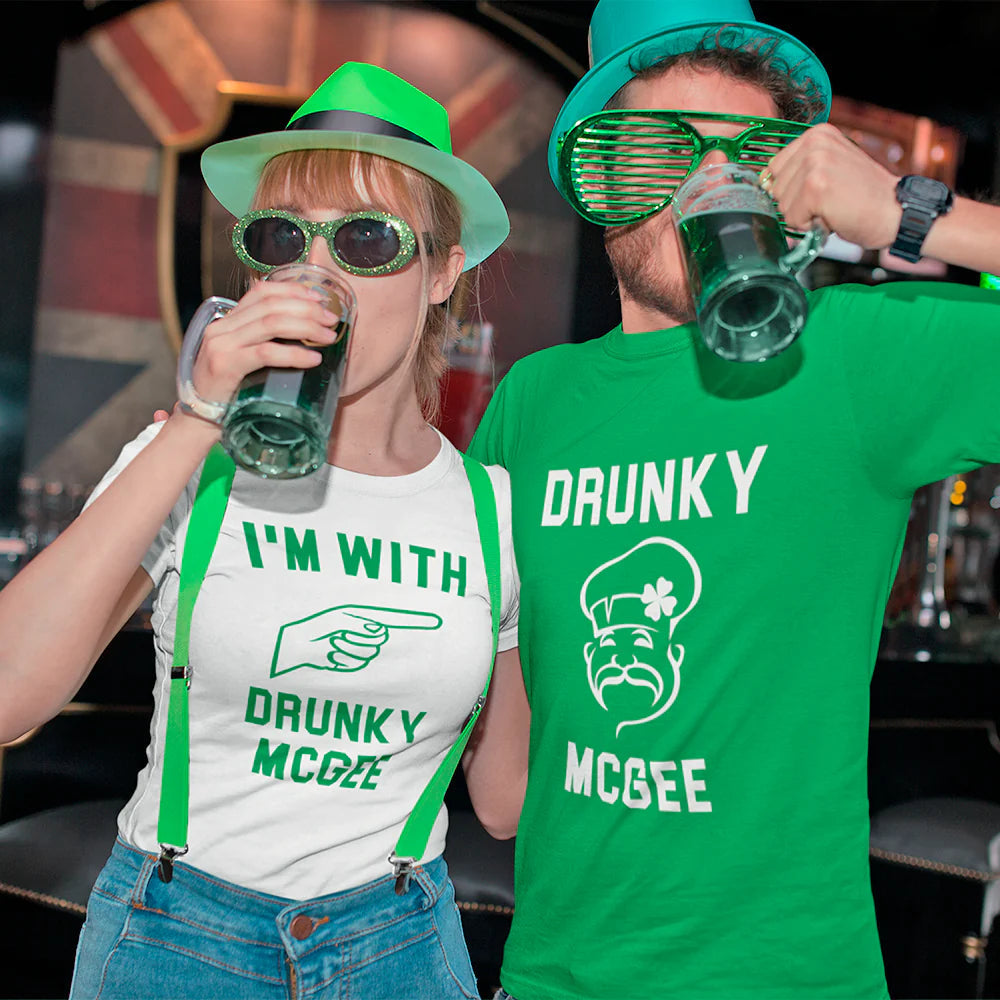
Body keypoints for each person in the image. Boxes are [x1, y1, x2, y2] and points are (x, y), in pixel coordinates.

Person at [466, 1, 1000, 998]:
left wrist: (913, 214)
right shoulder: (532, 402)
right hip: (553, 976)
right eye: (658, 155)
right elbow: (504, 797)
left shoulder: (850, 356)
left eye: (745, 160)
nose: (703, 189)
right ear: (603, 182)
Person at [0, 61, 529, 1000]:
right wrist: (199, 419)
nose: (315, 274)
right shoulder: (189, 458)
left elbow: (506, 799)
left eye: (366, 238)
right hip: (173, 940)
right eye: (283, 237)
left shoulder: (493, 511)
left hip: (399, 946)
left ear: (445, 270)